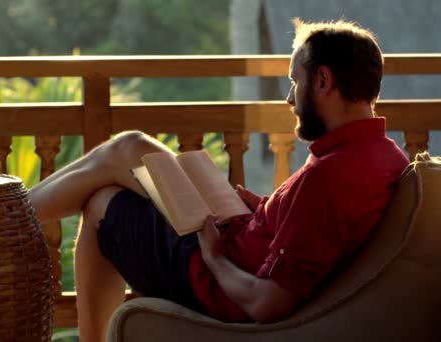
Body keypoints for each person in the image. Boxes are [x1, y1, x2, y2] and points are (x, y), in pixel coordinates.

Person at [29, 18, 409, 342]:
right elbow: (309, 231)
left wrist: (213, 257)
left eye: (296, 82)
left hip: (214, 278)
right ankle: (8, 209)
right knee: (127, 151)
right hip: (233, 239)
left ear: (324, 82)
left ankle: (2, 213)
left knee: (104, 199)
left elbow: (267, 302)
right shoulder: (384, 156)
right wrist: (261, 208)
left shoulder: (328, 178)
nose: (290, 99)